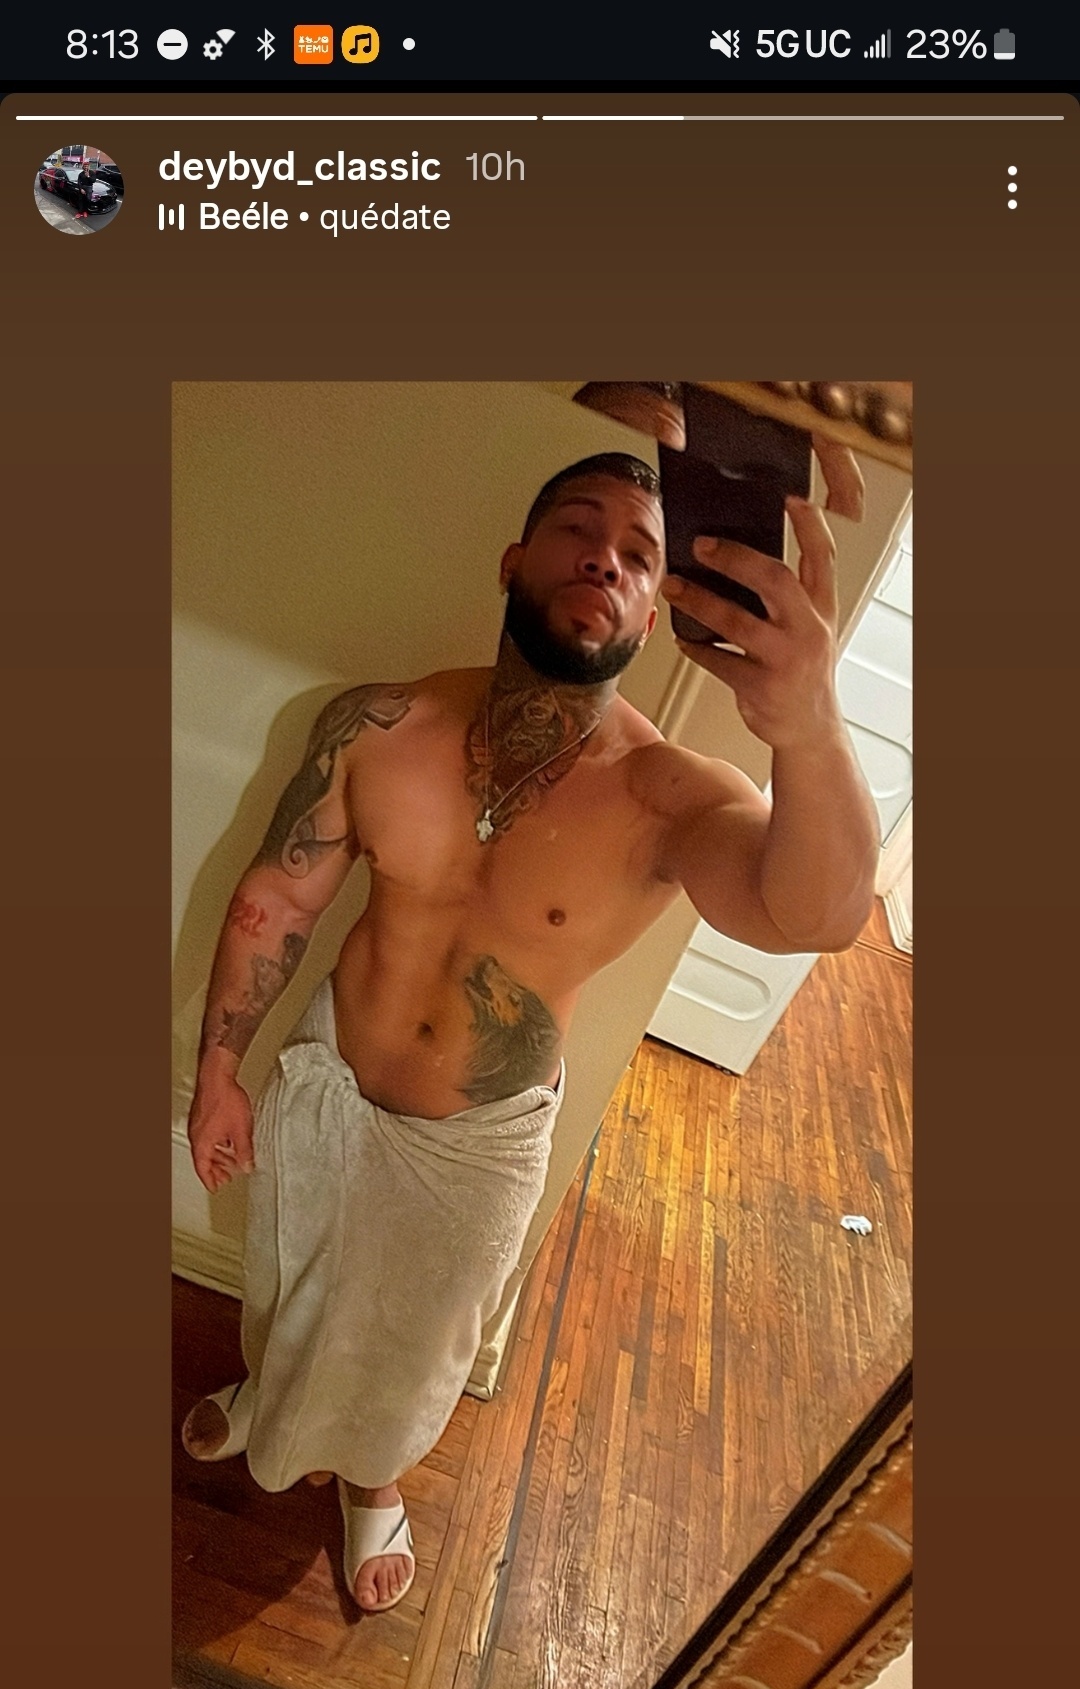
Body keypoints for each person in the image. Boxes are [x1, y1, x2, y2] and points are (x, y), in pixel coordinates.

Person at [184, 441, 878, 1614]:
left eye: (641, 554)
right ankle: (272, 1396)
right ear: (514, 560)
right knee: (283, 1279)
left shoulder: (669, 797)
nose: (605, 556)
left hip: (476, 1144)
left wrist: (809, 731)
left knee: (415, 1349)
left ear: (654, 614)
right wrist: (219, 1069)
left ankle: (373, 1482)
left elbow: (819, 915)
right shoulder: (379, 724)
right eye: (577, 526)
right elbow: (279, 901)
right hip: (327, 1080)